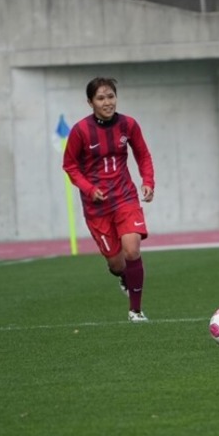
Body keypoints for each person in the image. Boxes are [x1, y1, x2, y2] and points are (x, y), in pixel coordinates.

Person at [62, 77, 155, 322]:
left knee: (132, 250)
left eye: (111, 96)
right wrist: (89, 188)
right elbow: (70, 166)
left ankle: (135, 310)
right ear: (90, 102)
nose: (107, 102)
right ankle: (123, 276)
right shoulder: (81, 131)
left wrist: (148, 181)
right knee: (117, 263)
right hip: (97, 207)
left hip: (125, 198)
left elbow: (143, 155)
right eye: (101, 98)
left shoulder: (129, 125)